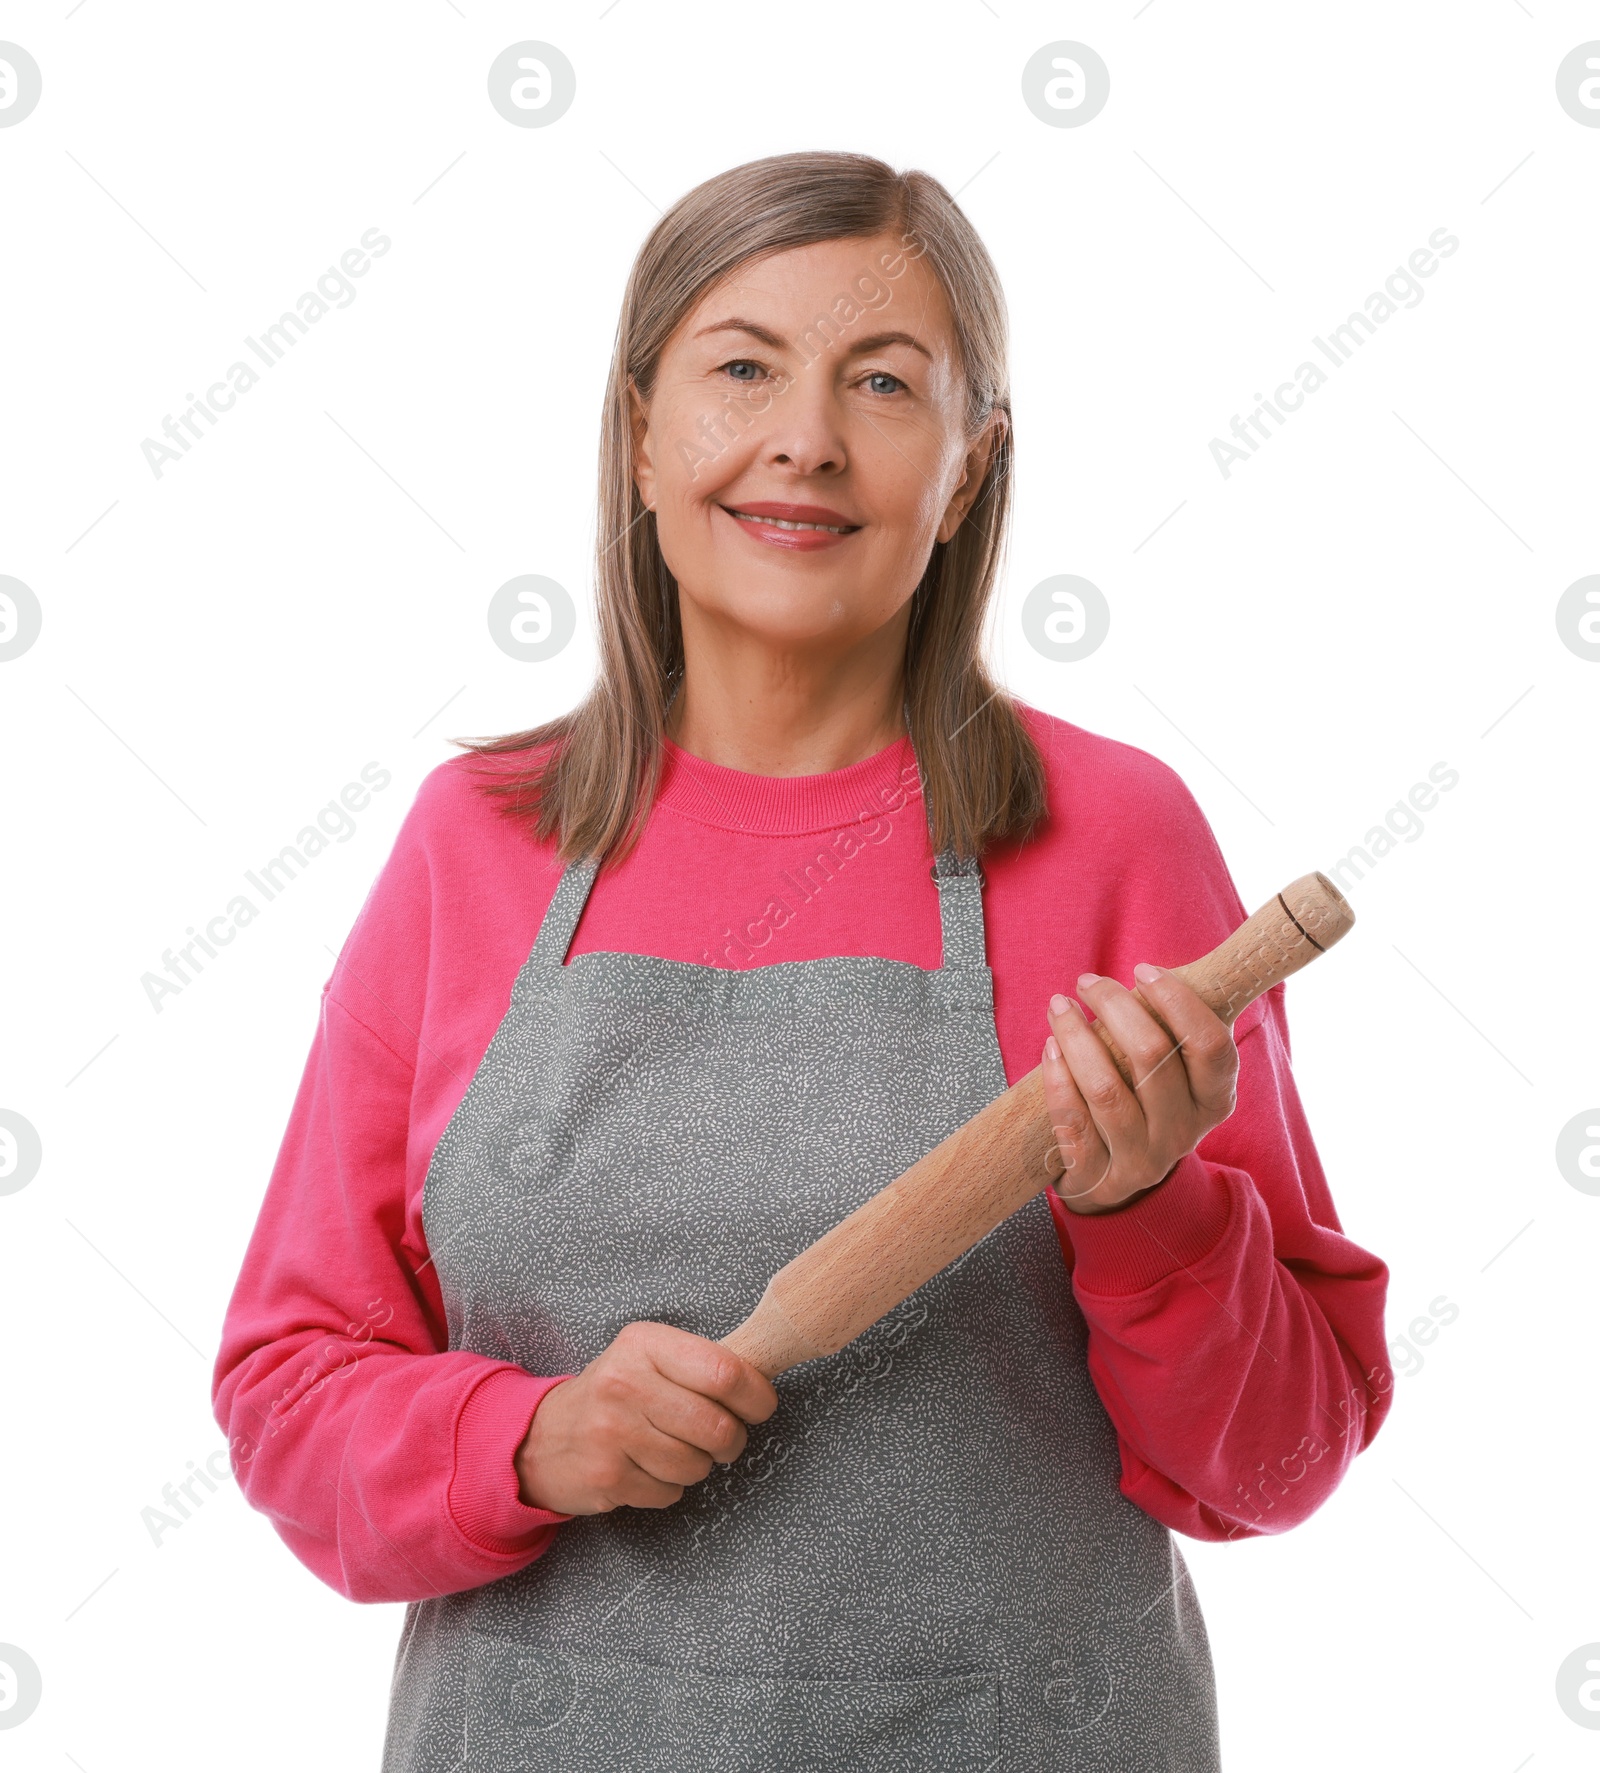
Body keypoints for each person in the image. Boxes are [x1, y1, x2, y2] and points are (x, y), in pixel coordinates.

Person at [212, 149, 1392, 1772]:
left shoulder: (1117, 835)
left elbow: (1275, 1464)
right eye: (743, 366)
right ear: (640, 433)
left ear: (970, 470)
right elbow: (288, 1390)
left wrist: (1153, 1212)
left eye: (885, 382)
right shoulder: (472, 842)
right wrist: (527, 1437)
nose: (807, 439)